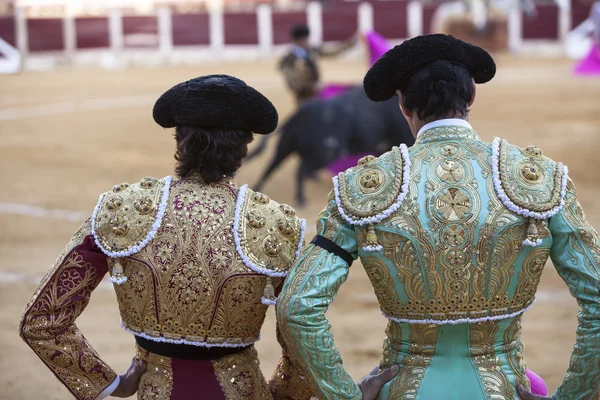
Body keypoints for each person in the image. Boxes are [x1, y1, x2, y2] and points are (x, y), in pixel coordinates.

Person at [19, 74, 397, 400]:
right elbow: (299, 334)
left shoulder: (123, 211)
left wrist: (109, 383)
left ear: (179, 140)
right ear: (245, 146)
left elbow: (42, 321)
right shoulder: (275, 226)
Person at [277, 34, 600, 399]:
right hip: (505, 387)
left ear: (402, 105)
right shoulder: (539, 179)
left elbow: (297, 307)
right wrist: (573, 395)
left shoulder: (362, 189)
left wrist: (345, 396)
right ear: (472, 96)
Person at [279, 24, 357, 106]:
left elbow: (331, 52)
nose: (306, 41)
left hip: (316, 95)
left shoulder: (310, 50)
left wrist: (350, 44)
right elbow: (292, 83)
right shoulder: (289, 60)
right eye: (303, 39)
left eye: (306, 38)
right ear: (296, 40)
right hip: (303, 97)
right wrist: (311, 88)